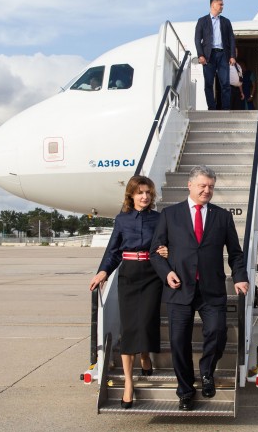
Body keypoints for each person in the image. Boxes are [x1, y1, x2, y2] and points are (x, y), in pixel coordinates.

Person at [150, 165, 249, 411]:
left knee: (217, 332)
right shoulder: (170, 214)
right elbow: (155, 252)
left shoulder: (222, 216)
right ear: (190, 185)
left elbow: (235, 253)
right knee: (178, 342)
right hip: (179, 288)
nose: (207, 190)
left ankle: (206, 372)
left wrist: (240, 277)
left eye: (211, 187)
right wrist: (167, 273)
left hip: (211, 289)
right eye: (202, 185)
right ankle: (185, 391)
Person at [89, 176, 167, 408]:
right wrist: (103, 272)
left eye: (148, 192)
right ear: (131, 195)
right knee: (129, 327)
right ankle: (129, 383)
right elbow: (113, 250)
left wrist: (167, 250)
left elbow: (168, 243)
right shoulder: (122, 220)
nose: (145, 196)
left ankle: (144, 354)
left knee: (147, 321)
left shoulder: (159, 219)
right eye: (140, 192)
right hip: (129, 274)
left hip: (152, 274)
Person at [195, 0, 236, 111]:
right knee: (208, 84)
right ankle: (212, 108)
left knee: (225, 83)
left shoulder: (226, 21)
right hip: (209, 56)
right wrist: (200, 55)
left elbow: (231, 39)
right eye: (220, 4)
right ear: (213, 5)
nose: (222, 6)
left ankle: (226, 108)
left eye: (222, 4)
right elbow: (197, 39)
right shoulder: (202, 21)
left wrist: (232, 56)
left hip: (223, 55)